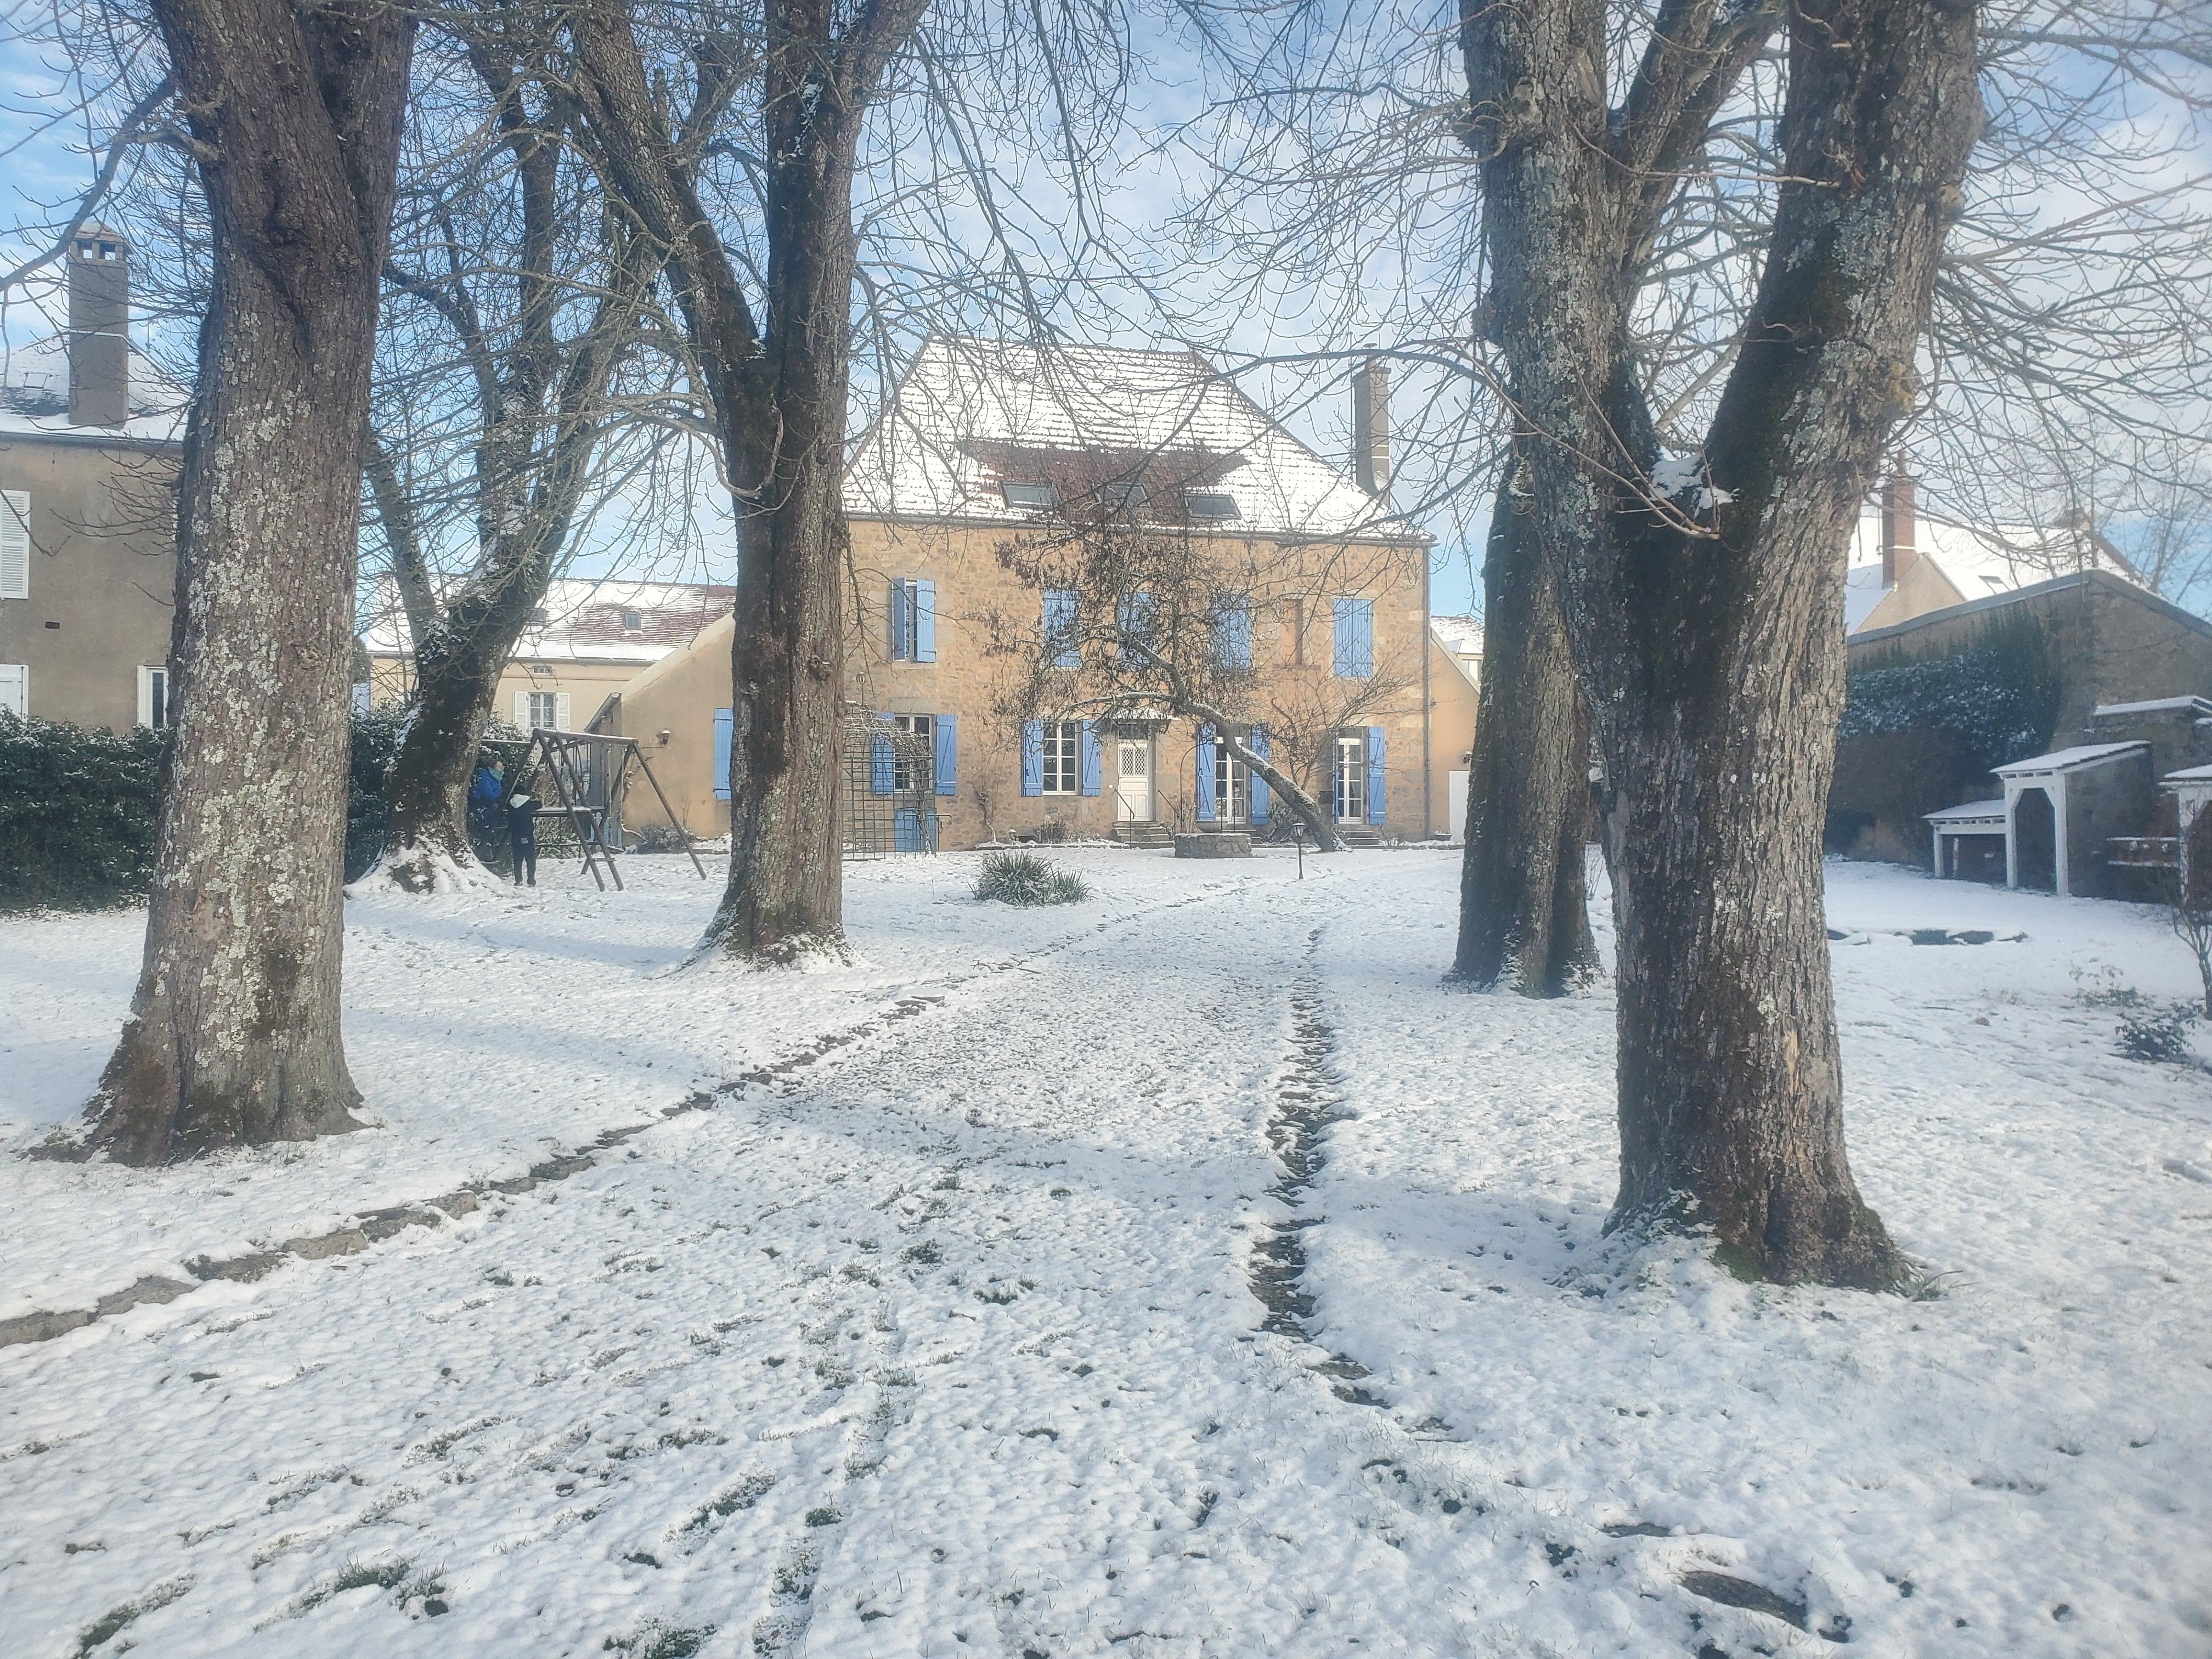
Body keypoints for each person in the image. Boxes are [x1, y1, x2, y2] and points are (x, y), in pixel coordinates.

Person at [505, 789, 538, 887]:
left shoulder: (510, 804)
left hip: (515, 834)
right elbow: (538, 805)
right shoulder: (527, 804)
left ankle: (518, 880)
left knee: (517, 858)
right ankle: (531, 880)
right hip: (527, 834)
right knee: (530, 858)